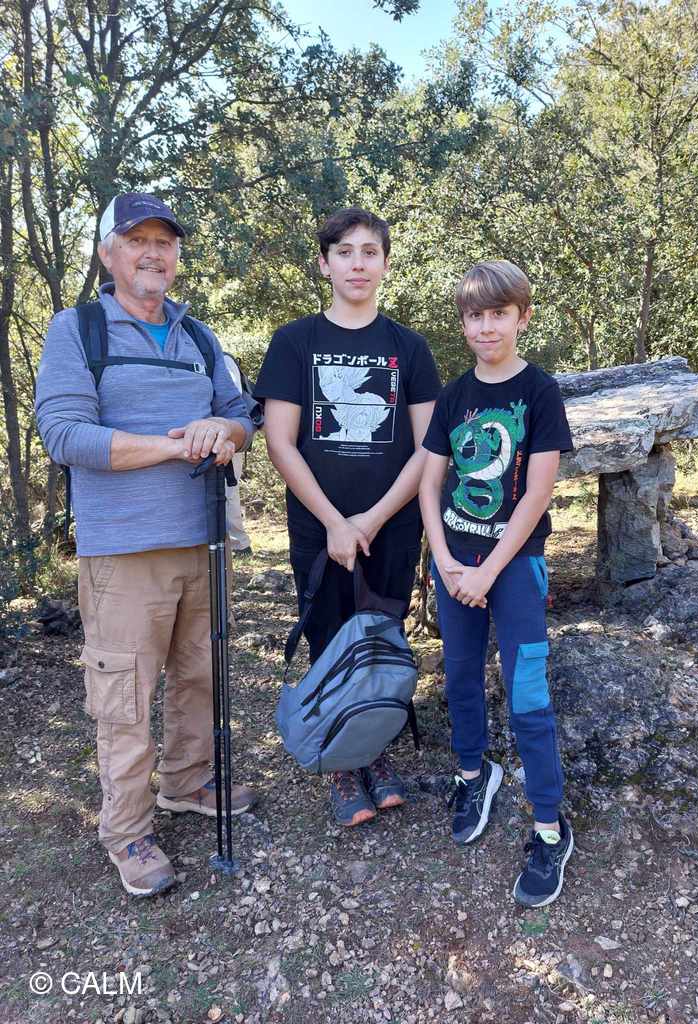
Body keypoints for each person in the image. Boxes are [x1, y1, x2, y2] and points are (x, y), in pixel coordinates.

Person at [35, 192, 260, 897]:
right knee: (125, 696)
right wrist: (172, 446)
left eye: (165, 242)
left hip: (203, 540)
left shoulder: (199, 337)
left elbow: (240, 415)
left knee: (199, 675)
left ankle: (188, 784)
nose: (154, 254)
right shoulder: (78, 330)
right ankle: (128, 829)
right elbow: (65, 434)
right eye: (138, 241)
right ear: (109, 253)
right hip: (123, 552)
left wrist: (225, 432)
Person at [254, 207, 441, 826]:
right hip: (318, 525)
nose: (357, 264)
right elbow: (281, 442)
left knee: (383, 636)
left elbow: (429, 446)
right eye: (344, 252)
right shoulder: (295, 342)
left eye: (369, 252)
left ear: (384, 263)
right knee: (328, 634)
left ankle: (375, 749)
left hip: (394, 523)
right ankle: (338, 758)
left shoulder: (409, 348)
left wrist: (373, 518)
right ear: (325, 263)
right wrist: (336, 522)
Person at [419, 260, 574, 907]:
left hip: (514, 569)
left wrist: (487, 570)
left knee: (526, 692)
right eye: (475, 315)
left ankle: (549, 826)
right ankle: (472, 773)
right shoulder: (454, 395)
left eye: (499, 314)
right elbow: (430, 483)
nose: (486, 327)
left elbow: (536, 495)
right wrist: (446, 561)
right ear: (463, 322)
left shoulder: (539, 392)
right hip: (455, 566)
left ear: (522, 317)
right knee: (459, 677)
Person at [223, 352, 254, 556]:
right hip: (216, 438)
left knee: (229, 491)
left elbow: (233, 400)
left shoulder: (224, 360)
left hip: (230, 438)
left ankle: (240, 544)